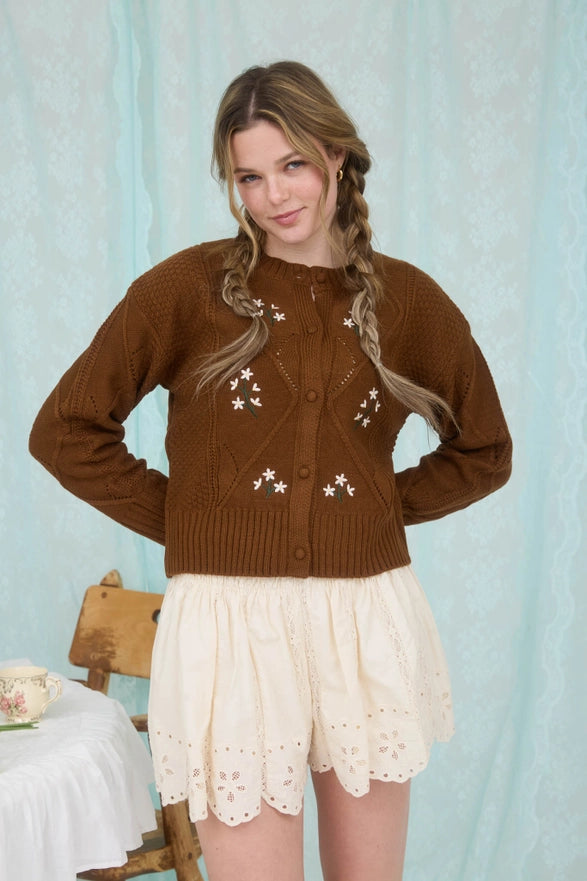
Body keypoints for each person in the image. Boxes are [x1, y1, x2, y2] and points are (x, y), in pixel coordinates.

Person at [29, 61, 512, 881]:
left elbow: (484, 449)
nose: (273, 195)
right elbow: (67, 429)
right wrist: (195, 517)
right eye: (248, 176)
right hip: (227, 626)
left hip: (366, 618)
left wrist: (371, 512)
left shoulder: (407, 302)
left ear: (335, 158)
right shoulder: (185, 289)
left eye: (291, 165)